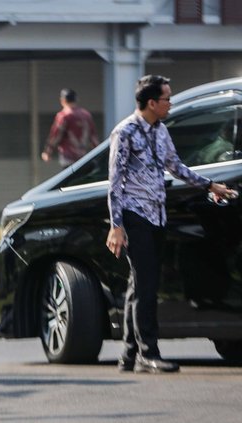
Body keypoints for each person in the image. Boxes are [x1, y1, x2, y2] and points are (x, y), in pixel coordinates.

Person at [106, 75, 235, 374]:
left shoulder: (160, 130)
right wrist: (117, 225)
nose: (170, 104)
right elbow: (115, 183)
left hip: (158, 215)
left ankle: (128, 353)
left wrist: (209, 186)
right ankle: (148, 354)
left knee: (137, 284)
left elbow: (175, 166)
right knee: (147, 286)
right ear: (151, 103)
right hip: (135, 215)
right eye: (167, 99)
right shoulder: (124, 132)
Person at [41, 88, 99, 168]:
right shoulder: (86, 115)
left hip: (68, 159)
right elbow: (93, 138)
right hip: (83, 159)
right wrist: (99, 155)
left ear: (63, 100)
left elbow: (55, 135)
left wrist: (48, 152)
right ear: (76, 100)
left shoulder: (63, 116)